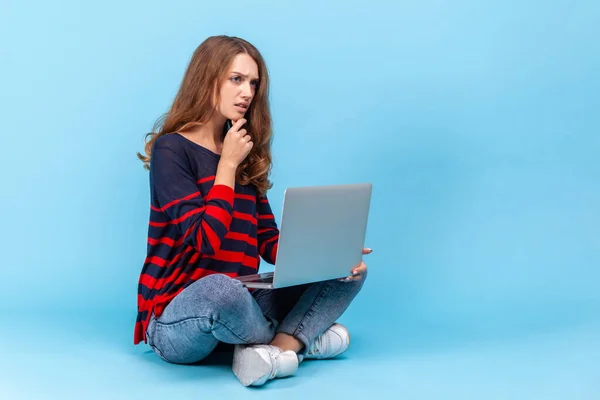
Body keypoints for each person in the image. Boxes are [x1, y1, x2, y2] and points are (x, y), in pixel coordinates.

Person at [134, 35, 371, 387]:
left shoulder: (245, 153)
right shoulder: (172, 151)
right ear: (206, 78)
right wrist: (227, 166)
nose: (247, 92)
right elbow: (205, 240)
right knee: (220, 290)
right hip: (179, 319)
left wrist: (328, 253)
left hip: (246, 306)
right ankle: (301, 339)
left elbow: (268, 243)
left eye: (253, 83)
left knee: (350, 272)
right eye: (236, 79)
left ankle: (277, 351)